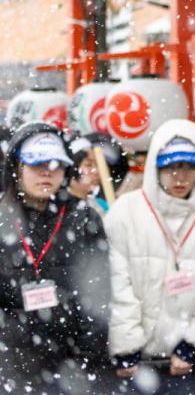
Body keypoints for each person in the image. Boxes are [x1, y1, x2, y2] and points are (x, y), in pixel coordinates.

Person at [106, 120, 195, 394]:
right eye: (171, 166)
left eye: (190, 166)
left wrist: (192, 344)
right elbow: (114, 285)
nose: (180, 177)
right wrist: (126, 347)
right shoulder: (126, 212)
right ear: (155, 167)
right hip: (129, 367)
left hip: (182, 367)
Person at [0, 122, 114, 394]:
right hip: (11, 366)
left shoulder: (83, 218)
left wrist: (88, 356)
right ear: (17, 168)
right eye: (36, 164)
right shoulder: (3, 219)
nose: (46, 173)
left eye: (55, 164)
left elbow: (99, 292)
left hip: (72, 367)